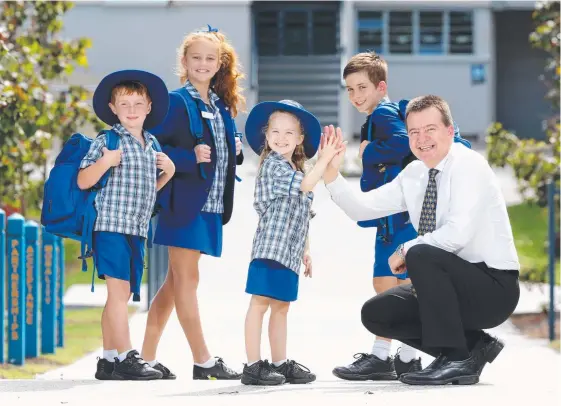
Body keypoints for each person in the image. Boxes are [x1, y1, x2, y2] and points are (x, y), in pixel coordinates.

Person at [323, 95, 520, 386]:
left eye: (430, 129)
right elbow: (363, 208)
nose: (421, 138)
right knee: (377, 314)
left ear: (450, 131)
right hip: (448, 287)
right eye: (413, 131)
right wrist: (331, 173)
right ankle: (474, 346)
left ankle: (455, 359)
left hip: (492, 287)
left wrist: (405, 248)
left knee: (421, 253)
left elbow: (457, 234)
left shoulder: (469, 165)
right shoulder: (414, 173)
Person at [334, 52, 471, 381]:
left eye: (362, 87)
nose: (355, 96)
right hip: (399, 216)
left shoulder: (382, 114)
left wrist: (368, 151)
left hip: (398, 218)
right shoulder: (381, 113)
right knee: (399, 282)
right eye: (350, 89)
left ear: (381, 87)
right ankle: (404, 357)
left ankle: (388, 356)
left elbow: (400, 142)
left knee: (388, 281)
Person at [139, 25, 245, 380]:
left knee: (174, 283)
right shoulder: (176, 101)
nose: (202, 63)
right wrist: (189, 157)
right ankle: (204, 361)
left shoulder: (219, 105)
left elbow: (220, 153)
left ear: (219, 64)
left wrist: (235, 151)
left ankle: (146, 358)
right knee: (186, 281)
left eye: (209, 58)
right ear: (184, 61)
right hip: (183, 204)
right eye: (196, 57)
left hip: (210, 206)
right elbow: (152, 147)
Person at [78, 70, 175, 380]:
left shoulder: (152, 144)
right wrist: (105, 162)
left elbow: (145, 191)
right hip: (109, 227)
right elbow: (83, 181)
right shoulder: (107, 141)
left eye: (138, 103)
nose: (131, 110)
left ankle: (107, 360)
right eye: (124, 104)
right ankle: (127, 357)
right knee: (118, 293)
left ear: (149, 108)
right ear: (113, 108)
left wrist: (168, 173)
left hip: (136, 229)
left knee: (118, 295)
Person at [241, 100, 345, 386]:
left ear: (299, 139)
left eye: (289, 133)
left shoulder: (297, 169)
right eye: (275, 131)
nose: (281, 138)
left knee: (282, 306)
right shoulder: (274, 166)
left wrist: (306, 250)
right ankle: (252, 365)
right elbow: (305, 186)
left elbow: (303, 212)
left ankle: (279, 362)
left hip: (289, 251)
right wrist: (324, 158)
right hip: (270, 248)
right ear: (266, 135)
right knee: (260, 302)